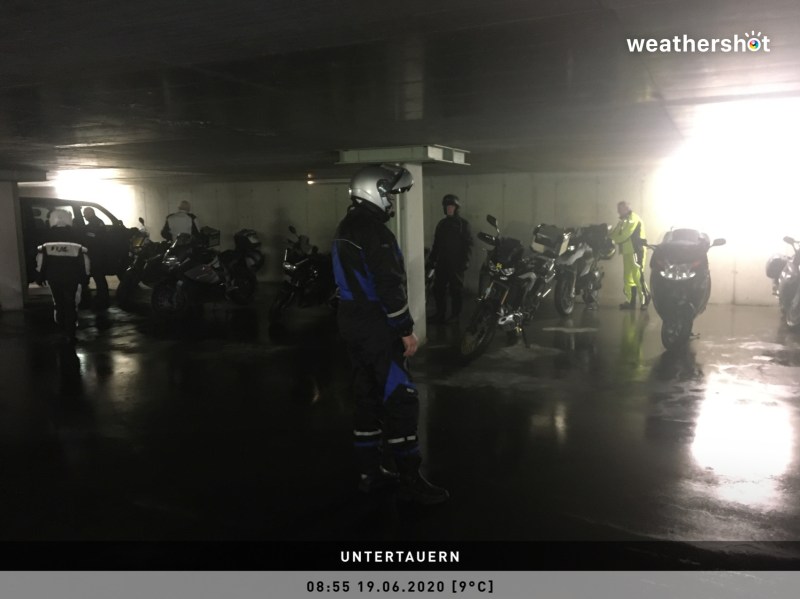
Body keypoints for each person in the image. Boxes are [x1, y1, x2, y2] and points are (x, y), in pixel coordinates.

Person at [332, 164, 449, 504]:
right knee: (401, 397)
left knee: (366, 396)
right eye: (389, 194)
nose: (392, 200)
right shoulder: (375, 232)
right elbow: (388, 284)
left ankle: (369, 474)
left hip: (351, 320)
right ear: (374, 191)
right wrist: (405, 330)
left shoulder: (346, 226)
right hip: (376, 324)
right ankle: (410, 480)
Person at [35, 209, 91, 343]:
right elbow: (85, 260)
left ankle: (61, 330)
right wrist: (85, 276)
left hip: (54, 276)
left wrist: (40, 276)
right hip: (72, 276)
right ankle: (71, 331)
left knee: (58, 302)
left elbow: (41, 260)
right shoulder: (77, 235)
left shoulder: (46, 236)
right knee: (70, 302)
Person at [427, 194, 472, 323]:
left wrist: (465, 261)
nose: (449, 209)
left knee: (455, 290)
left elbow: (468, 244)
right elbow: (436, 244)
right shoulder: (441, 224)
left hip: (456, 264)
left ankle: (455, 315)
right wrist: (432, 259)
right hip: (442, 263)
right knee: (438, 289)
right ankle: (440, 313)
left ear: (456, 208)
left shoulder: (463, 224)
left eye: (451, 206)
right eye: (447, 207)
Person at [609, 201, 650, 310]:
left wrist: (611, 240)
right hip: (627, 252)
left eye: (620, 209)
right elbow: (616, 232)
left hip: (637, 251)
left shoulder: (633, 218)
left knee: (638, 276)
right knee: (627, 277)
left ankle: (644, 300)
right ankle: (630, 301)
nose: (618, 211)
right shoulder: (623, 221)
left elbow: (625, 234)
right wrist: (608, 237)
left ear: (626, 208)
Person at [82, 207, 109, 310]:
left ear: (91, 213)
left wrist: (85, 234)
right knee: (97, 276)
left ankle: (103, 298)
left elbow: (98, 238)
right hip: (93, 253)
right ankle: (101, 296)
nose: (84, 216)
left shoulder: (97, 223)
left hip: (97, 254)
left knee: (99, 276)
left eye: (85, 214)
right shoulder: (92, 224)